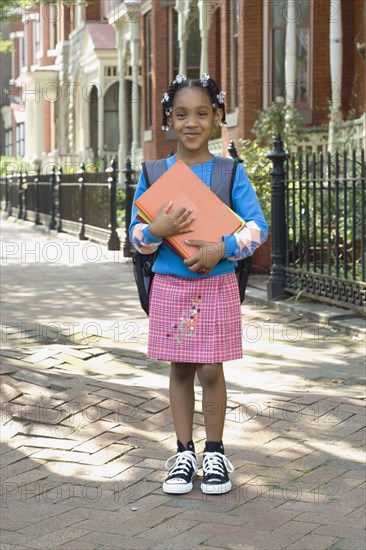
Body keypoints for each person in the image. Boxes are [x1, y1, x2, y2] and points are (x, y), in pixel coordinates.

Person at [129, 74, 268, 495]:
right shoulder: (155, 174)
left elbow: (257, 229)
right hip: (172, 286)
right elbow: (135, 237)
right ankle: (184, 451)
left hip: (218, 285)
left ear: (217, 117)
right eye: (182, 114)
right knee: (181, 367)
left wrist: (222, 247)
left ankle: (215, 452)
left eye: (202, 113)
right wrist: (158, 229)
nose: (192, 122)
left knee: (211, 367)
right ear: (169, 119)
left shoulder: (229, 172)